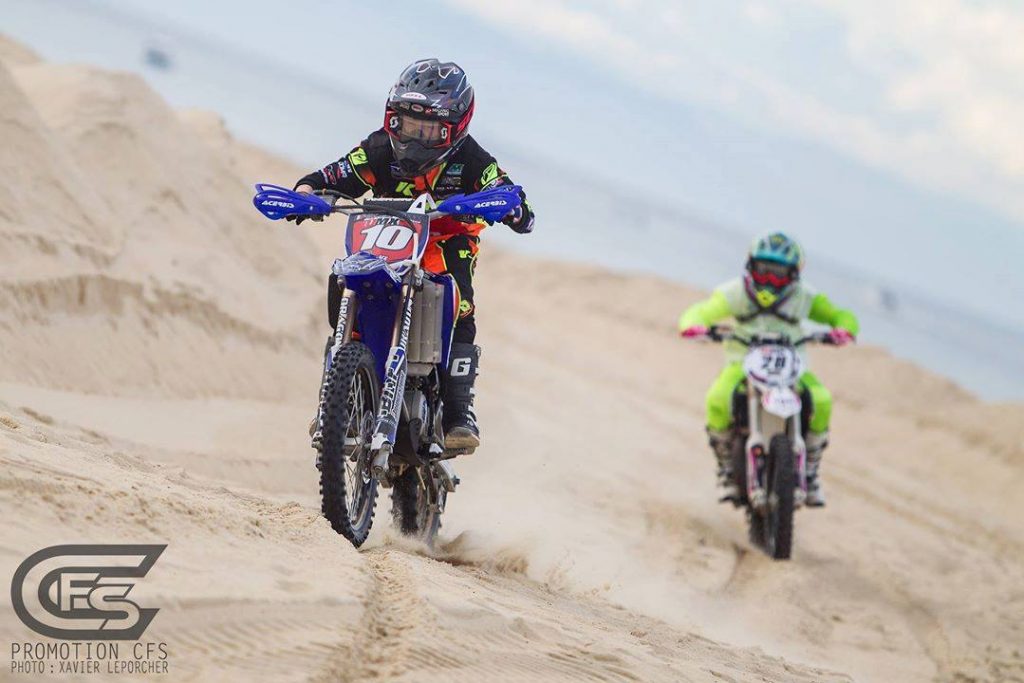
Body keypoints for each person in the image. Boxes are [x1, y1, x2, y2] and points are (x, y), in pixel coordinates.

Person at [293, 59, 535, 453]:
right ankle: (335, 395)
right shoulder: (377, 149)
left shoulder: (473, 160)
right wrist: (306, 191)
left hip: (446, 238)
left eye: (427, 130)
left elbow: (507, 190)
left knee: (461, 300)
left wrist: (514, 208)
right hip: (384, 234)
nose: (414, 138)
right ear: (392, 118)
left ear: (454, 129)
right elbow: (335, 174)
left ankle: (459, 411)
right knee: (345, 279)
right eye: (406, 125)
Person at [678, 233, 858, 506]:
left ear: (794, 274)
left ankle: (810, 470)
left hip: (792, 367)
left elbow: (840, 315)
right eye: (764, 271)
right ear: (751, 266)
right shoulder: (735, 292)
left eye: (779, 274)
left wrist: (844, 330)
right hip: (743, 364)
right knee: (717, 397)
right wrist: (694, 325)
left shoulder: (805, 297)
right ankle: (726, 468)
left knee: (821, 400)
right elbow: (703, 310)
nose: (770, 281)